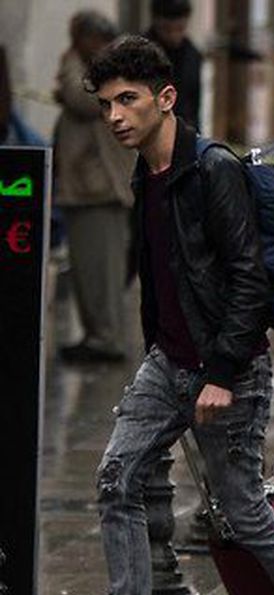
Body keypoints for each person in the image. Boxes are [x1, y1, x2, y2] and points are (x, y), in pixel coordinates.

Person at [50, 36, 274, 595]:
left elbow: (247, 278)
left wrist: (221, 373)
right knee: (117, 477)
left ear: (166, 99)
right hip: (168, 362)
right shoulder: (148, 174)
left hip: (229, 367)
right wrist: (156, 358)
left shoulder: (211, 169)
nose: (115, 116)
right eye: (108, 103)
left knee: (242, 510)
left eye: (128, 100)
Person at [53, 11, 135, 364]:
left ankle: (105, 338)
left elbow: (78, 97)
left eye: (81, 38)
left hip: (100, 190)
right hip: (87, 187)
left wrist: (70, 62)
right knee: (89, 270)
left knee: (101, 269)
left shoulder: (109, 72)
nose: (76, 45)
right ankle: (96, 335)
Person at [144, 0, 203, 131]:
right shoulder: (139, 53)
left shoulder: (192, 55)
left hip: (182, 130)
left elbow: (194, 105)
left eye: (180, 29)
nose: (174, 36)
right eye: (167, 29)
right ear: (156, 22)